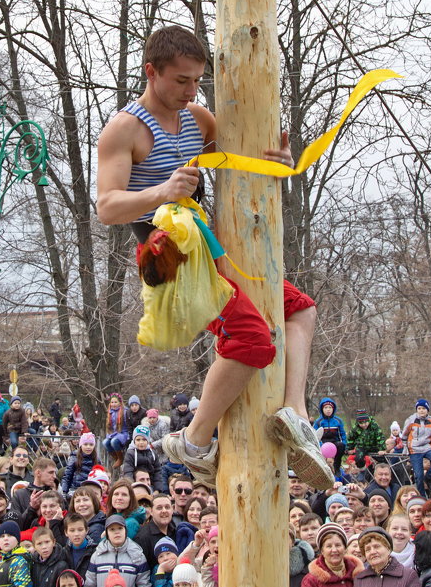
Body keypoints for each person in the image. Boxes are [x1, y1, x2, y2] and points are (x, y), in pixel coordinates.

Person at [95, 25, 330, 489]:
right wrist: (161, 190)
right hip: (171, 260)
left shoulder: (197, 119)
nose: (190, 90)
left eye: (197, 80)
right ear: (151, 72)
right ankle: (194, 439)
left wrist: (278, 159)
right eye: (181, 80)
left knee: (299, 309)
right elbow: (106, 207)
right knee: (254, 342)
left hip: (211, 250)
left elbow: (244, 157)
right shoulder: (125, 129)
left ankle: (295, 412)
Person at [355, 526, 421, 587]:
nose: (372, 552)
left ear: (388, 548)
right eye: (368, 549)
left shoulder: (408, 576)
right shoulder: (360, 579)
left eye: (377, 547)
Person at [301, 522, 363, 587]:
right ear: (322, 551)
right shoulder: (311, 580)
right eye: (329, 546)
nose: (334, 550)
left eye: (338, 545)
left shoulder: (358, 574)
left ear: (345, 548)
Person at [402, 401, 431, 498]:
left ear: (427, 410)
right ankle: (422, 496)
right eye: (419, 408)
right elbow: (404, 435)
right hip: (414, 449)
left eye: (423, 409)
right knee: (418, 475)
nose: (421, 411)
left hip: (427, 447)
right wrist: (405, 449)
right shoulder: (411, 420)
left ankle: (428, 477)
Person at [314, 399, 348, 476]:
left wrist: (345, 444)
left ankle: (337, 467)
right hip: (323, 443)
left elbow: (342, 434)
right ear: (322, 409)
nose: (328, 410)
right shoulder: (318, 421)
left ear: (333, 409)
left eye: (330, 407)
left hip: (335, 443)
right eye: (326, 408)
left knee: (341, 446)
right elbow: (315, 435)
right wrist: (320, 445)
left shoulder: (338, 421)